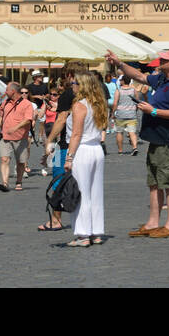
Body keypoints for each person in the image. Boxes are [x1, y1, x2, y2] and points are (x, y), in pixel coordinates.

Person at [106, 49, 169, 240]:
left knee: (168, 182)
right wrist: (119, 63)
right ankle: (153, 222)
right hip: (156, 138)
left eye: (164, 59)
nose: (160, 61)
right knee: (154, 183)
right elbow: (137, 75)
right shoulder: (162, 79)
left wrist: (153, 111)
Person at [63, 72, 108, 246]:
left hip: (82, 150)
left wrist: (69, 158)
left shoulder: (79, 105)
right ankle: (96, 232)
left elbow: (76, 134)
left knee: (81, 192)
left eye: (74, 83)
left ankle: (83, 234)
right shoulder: (98, 104)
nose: (71, 86)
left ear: (81, 85)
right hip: (97, 149)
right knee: (96, 193)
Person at [38, 70, 78, 232]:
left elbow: (61, 119)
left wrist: (49, 141)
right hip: (88, 144)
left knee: (58, 180)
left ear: (69, 75)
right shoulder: (93, 94)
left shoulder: (68, 95)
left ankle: (56, 220)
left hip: (66, 144)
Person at [0, 81, 36, 192]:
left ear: (13, 91)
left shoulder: (26, 104)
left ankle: (19, 181)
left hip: (21, 137)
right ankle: (5, 183)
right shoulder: (5, 103)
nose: (5, 92)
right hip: (5, 137)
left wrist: (15, 128)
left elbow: (28, 120)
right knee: (4, 159)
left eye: (7, 90)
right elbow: (2, 116)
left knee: (21, 162)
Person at [112, 74, 139, 155]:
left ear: (123, 81)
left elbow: (115, 103)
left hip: (121, 114)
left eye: (121, 80)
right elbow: (137, 101)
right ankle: (134, 147)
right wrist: (135, 109)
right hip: (132, 114)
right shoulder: (133, 90)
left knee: (119, 132)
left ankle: (120, 150)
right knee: (132, 132)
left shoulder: (118, 90)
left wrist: (113, 113)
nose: (120, 81)